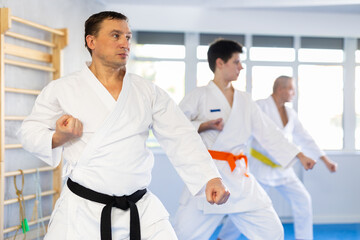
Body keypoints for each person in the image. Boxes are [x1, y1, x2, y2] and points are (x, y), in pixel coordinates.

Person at [19, 11, 230, 240]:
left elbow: (181, 135)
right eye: (116, 35)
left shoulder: (147, 92)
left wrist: (210, 177)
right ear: (91, 41)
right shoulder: (63, 89)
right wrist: (59, 137)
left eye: (128, 37)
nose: (125, 43)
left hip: (139, 209)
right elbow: (29, 132)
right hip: (82, 212)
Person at [172, 39, 317, 240]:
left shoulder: (245, 100)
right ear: (220, 63)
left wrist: (299, 155)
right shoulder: (199, 96)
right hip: (208, 175)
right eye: (236, 62)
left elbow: (269, 132)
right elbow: (174, 127)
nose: (241, 67)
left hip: (239, 175)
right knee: (183, 234)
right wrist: (203, 125)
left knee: (272, 232)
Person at [217, 75, 338, 240]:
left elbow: (305, 137)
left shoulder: (290, 113)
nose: (294, 93)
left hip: (284, 170)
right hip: (260, 169)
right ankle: (223, 238)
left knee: (303, 200)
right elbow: (250, 136)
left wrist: (325, 160)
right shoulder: (260, 107)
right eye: (291, 89)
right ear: (280, 89)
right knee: (246, 206)